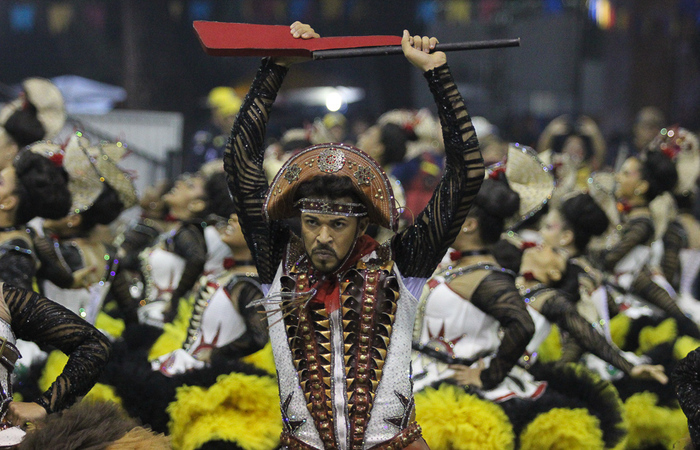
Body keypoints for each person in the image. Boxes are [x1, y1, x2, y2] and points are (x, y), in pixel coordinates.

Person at [224, 22, 484, 450]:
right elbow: (240, 166)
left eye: (338, 224)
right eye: (312, 223)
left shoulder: (403, 264)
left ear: (363, 225)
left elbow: (468, 173)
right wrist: (275, 66)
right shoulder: (278, 260)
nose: (322, 236)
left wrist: (437, 74)